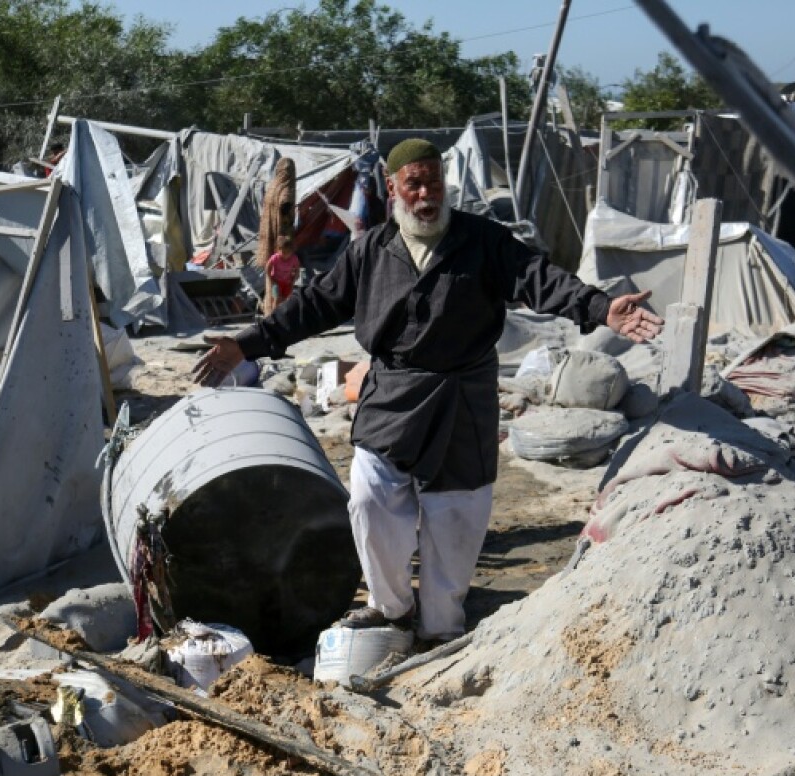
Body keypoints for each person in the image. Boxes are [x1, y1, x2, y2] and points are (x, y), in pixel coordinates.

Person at [193, 138, 663, 645]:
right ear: (392, 188)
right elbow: (311, 306)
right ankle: (390, 607)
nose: (425, 195)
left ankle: (441, 627)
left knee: (454, 519)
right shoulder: (370, 250)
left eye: (433, 182)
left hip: (462, 399)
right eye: (413, 184)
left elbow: (539, 278)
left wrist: (599, 307)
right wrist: (247, 344)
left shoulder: (484, 241)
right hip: (391, 395)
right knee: (372, 502)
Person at [262, 235, 300, 316]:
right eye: (283, 252)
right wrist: (270, 278)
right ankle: (273, 315)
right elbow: (268, 267)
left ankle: (284, 315)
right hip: (276, 282)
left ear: (291, 251)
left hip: (287, 282)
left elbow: (297, 268)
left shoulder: (294, 258)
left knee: (287, 299)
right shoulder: (275, 258)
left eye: (288, 253)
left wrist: (295, 277)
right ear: (278, 250)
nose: (285, 255)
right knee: (276, 298)